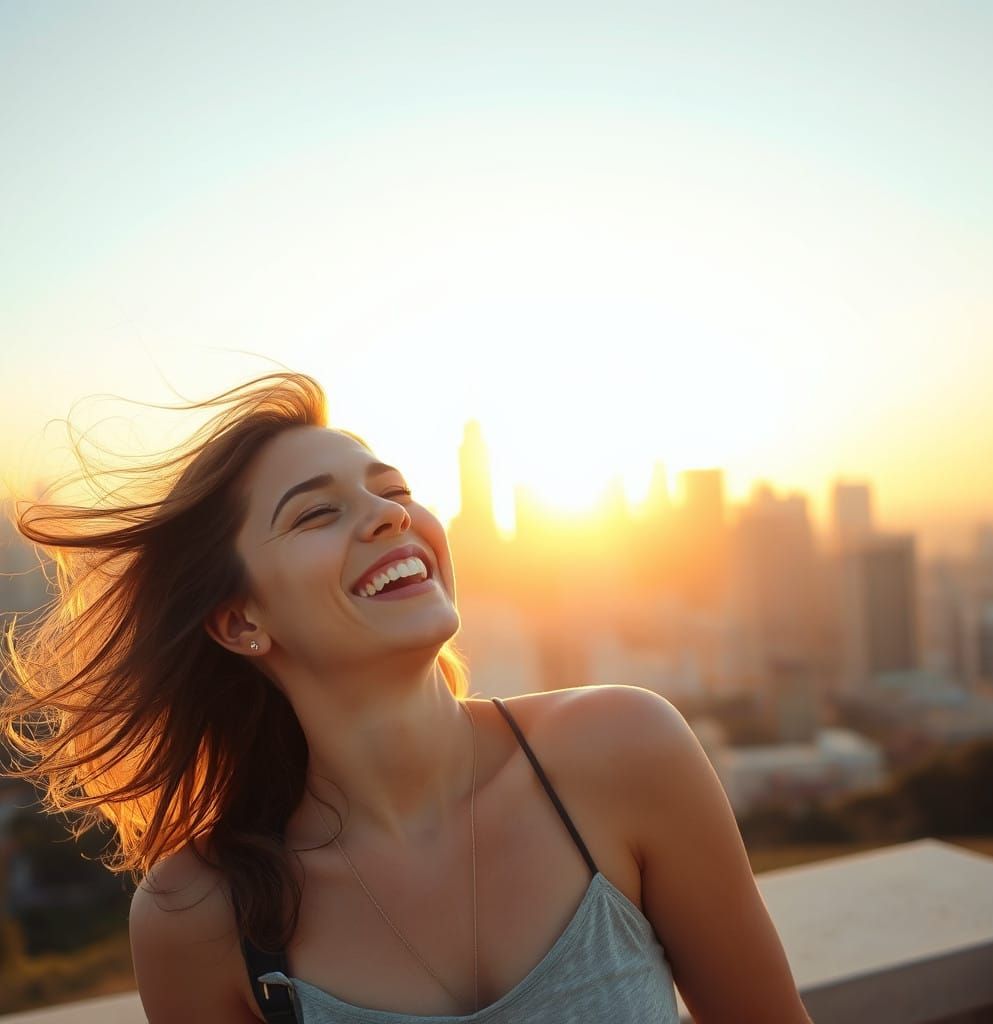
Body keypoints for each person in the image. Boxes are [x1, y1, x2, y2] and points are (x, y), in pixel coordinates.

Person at [1, 372, 814, 1023]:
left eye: (392, 489)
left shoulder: (624, 749)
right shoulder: (196, 916)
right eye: (318, 512)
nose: (389, 517)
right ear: (241, 620)